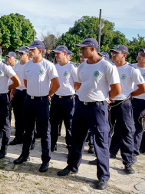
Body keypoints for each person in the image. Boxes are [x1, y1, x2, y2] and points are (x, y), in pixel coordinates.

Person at [57, 38, 121, 190]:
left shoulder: (106, 66)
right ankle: (72, 166)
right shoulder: (82, 66)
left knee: (101, 142)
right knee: (77, 139)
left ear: (93, 49)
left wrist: (103, 98)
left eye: (83, 48)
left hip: (97, 108)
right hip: (80, 106)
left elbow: (117, 90)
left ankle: (103, 176)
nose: (81, 51)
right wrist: (82, 95)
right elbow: (78, 84)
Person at [14, 40, 60, 174]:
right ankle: (24, 154)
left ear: (40, 51)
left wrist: (47, 94)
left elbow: (56, 84)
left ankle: (45, 160)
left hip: (42, 102)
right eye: (29, 49)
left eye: (32, 50)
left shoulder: (48, 65)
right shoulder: (27, 65)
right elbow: (27, 82)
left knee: (45, 132)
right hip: (29, 100)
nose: (29, 51)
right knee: (27, 130)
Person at [106, 45, 144, 174]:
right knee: (106, 131)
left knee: (127, 132)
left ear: (124, 55)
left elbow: (142, 88)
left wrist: (130, 94)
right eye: (113, 52)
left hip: (124, 104)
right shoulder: (109, 67)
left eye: (117, 53)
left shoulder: (132, 70)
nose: (114, 55)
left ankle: (128, 162)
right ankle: (105, 155)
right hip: (109, 104)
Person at [49, 45, 79, 154]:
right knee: (54, 123)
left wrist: (71, 92)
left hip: (68, 100)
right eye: (55, 53)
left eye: (58, 53)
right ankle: (52, 145)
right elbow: (52, 82)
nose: (56, 55)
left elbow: (78, 83)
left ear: (65, 54)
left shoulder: (72, 67)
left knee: (69, 125)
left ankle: (70, 147)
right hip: (56, 98)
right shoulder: (55, 67)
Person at [9, 46, 31, 146]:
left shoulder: (31, 65)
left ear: (27, 54)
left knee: (28, 117)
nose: (20, 55)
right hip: (18, 92)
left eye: (22, 53)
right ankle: (18, 137)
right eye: (19, 53)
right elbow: (14, 82)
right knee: (17, 116)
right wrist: (12, 92)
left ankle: (30, 139)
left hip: (28, 92)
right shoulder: (16, 67)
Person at [132, 48, 145, 159]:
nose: (140, 55)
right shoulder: (131, 67)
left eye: (143, 55)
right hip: (128, 100)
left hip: (142, 102)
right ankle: (114, 150)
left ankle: (134, 152)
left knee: (138, 128)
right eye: (140, 53)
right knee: (123, 126)